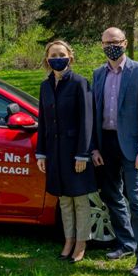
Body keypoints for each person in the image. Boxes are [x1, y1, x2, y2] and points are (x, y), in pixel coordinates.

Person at [91, 27, 138, 276]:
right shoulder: (98, 74)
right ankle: (126, 242)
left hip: (131, 147)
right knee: (111, 194)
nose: (111, 46)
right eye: (107, 42)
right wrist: (94, 147)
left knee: (137, 199)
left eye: (116, 41)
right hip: (106, 143)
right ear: (102, 45)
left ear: (125, 43)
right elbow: (95, 113)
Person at [35, 40, 96, 263]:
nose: (57, 58)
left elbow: (87, 120)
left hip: (74, 152)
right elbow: (43, 121)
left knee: (79, 199)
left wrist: (83, 154)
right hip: (54, 152)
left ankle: (81, 243)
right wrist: (41, 153)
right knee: (63, 200)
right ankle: (68, 240)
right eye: (53, 55)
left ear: (70, 56)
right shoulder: (45, 86)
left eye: (61, 54)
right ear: (47, 59)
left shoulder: (80, 83)